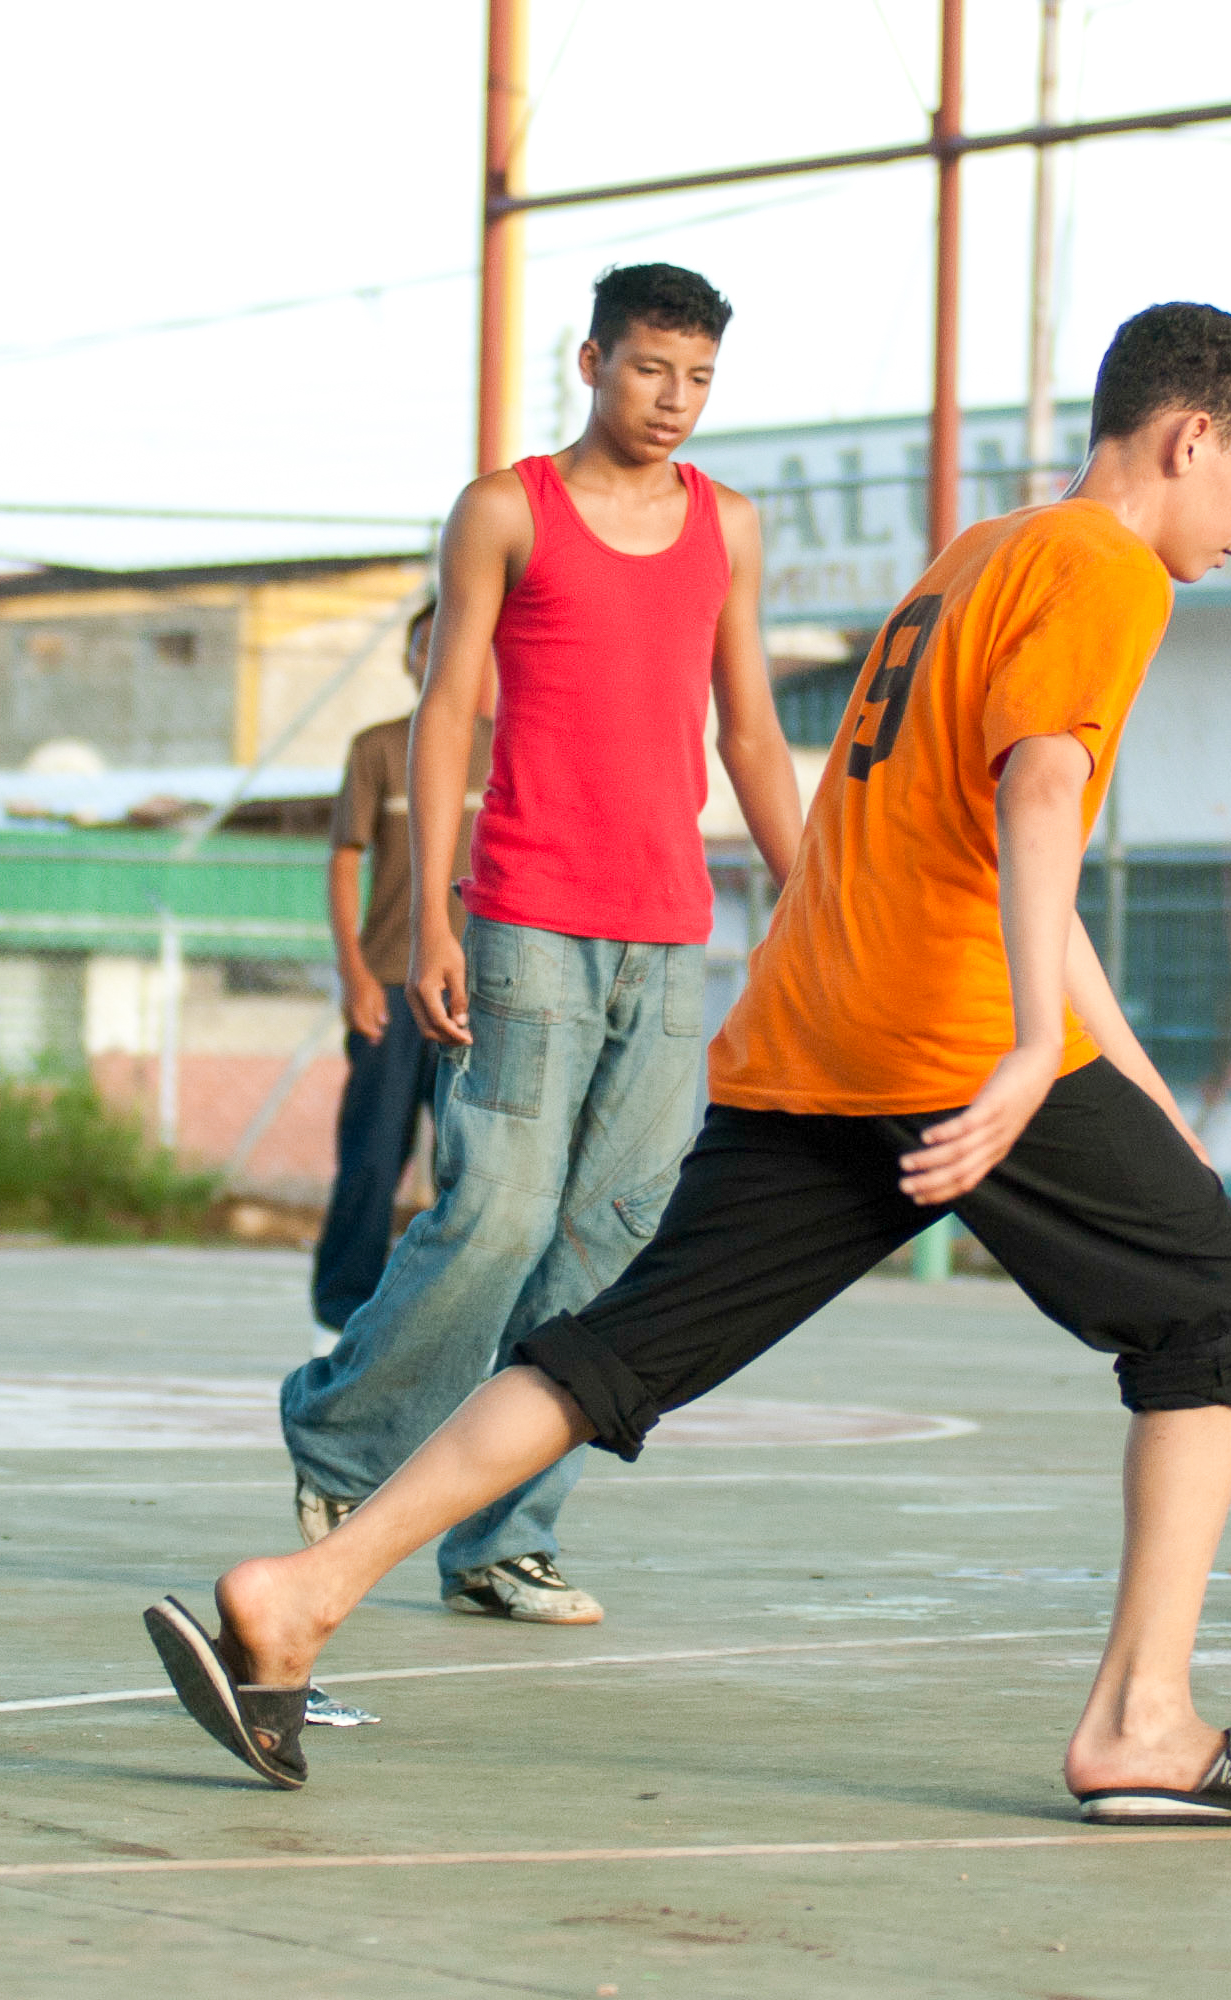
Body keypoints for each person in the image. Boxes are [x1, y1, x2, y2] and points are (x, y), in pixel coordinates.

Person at [156, 302, 1231, 1827]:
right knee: (1218, 1308)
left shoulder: (983, 553)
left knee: (619, 1347)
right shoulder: (1109, 571)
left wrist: (1120, 1073)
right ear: (1193, 439)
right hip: (936, 1037)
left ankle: (302, 1590)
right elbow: (1043, 795)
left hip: (814, 1029)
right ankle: (1143, 1722)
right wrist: (1021, 1054)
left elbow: (971, 823)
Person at [275, 263, 804, 1626]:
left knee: (609, 1249)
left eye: (698, 378)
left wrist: (811, 895)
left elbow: (747, 728)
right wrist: (436, 913)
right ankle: (341, 1436)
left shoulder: (729, 528)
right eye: (650, 371)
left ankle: (502, 1539)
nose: (674, 401)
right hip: (522, 917)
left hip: (667, 930)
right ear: (591, 362)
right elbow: (452, 708)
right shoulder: (507, 508)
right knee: (497, 1214)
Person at [306, 601, 493, 1332]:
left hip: (480, 993)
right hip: (390, 982)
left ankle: (452, 1317)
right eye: (425, 644)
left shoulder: (509, 747)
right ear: (412, 658)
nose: (438, 654)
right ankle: (341, 1315)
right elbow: (342, 861)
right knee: (373, 1160)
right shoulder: (378, 749)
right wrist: (354, 973)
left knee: (472, 1168)